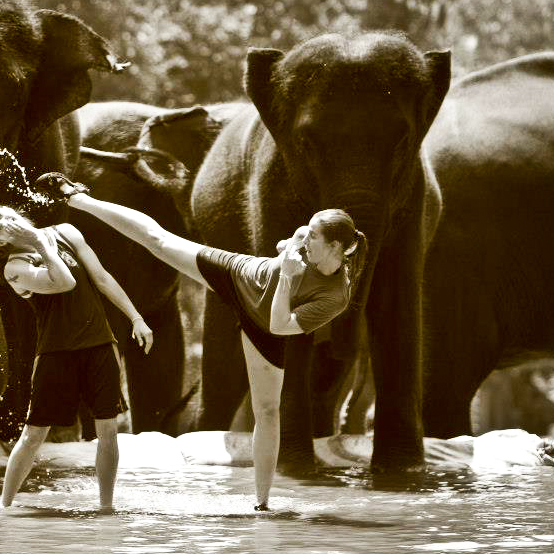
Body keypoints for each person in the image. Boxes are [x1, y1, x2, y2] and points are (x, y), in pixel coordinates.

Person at [34, 172, 367, 511]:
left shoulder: (336, 296)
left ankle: (262, 504)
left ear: (335, 247)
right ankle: (78, 198)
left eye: (313, 236)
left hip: (266, 327)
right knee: (158, 240)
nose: (305, 238)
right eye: (307, 233)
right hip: (240, 275)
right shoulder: (303, 238)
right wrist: (285, 255)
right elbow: (286, 245)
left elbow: (280, 326)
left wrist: (287, 275)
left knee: (267, 411)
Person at [0, 204, 153, 512]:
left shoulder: (67, 233)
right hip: (56, 353)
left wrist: (135, 317)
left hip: (98, 344)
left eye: (1, 214)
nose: (4, 222)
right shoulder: (14, 268)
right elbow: (64, 282)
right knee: (33, 434)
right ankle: (4, 508)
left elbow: (102, 278)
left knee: (108, 431)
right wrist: (39, 241)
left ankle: (106, 508)